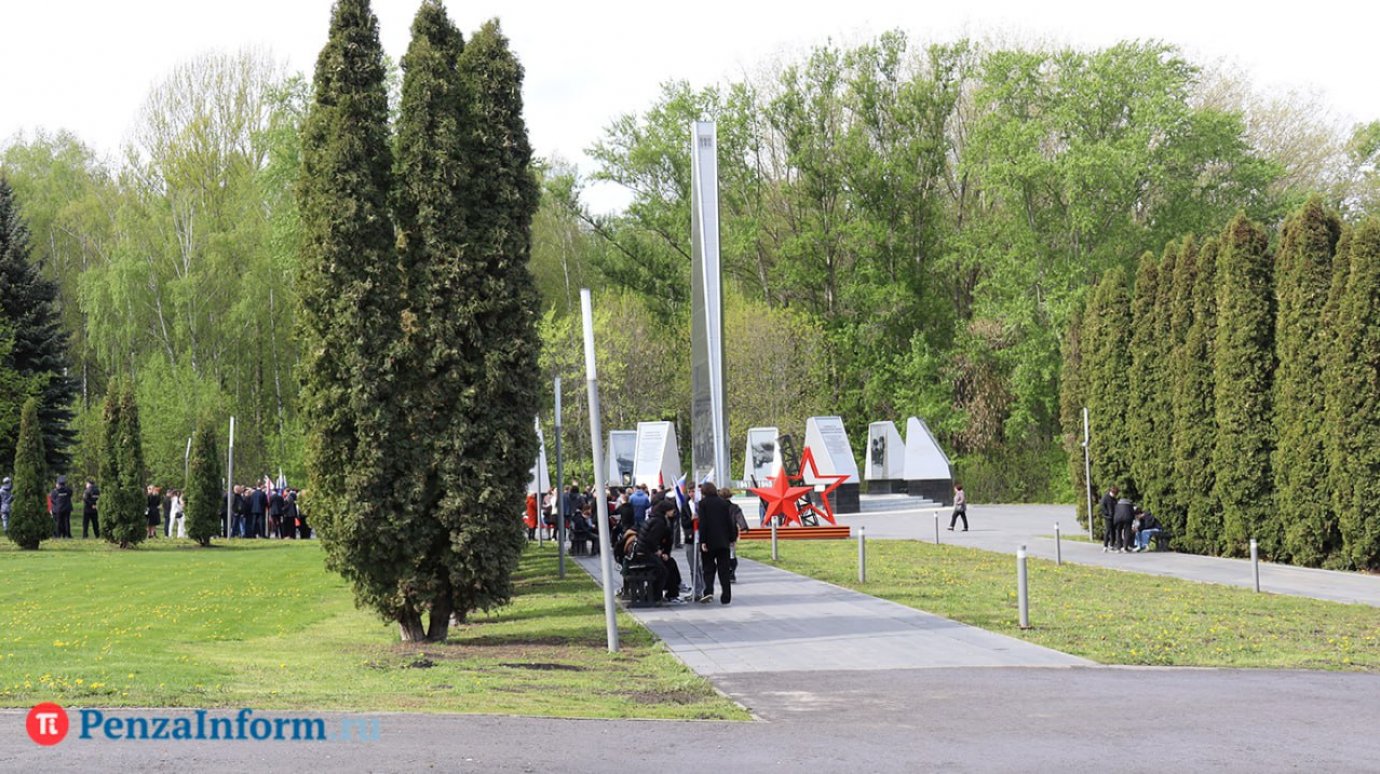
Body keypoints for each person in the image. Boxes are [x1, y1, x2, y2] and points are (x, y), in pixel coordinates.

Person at [696, 482, 737, 605]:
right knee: (723, 569)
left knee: (708, 567)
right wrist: (732, 538)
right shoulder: (723, 504)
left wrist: (702, 540)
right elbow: (730, 522)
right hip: (723, 541)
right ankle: (726, 595)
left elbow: (703, 523)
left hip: (709, 541)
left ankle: (708, 590)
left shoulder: (702, 504)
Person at [725, 489, 748, 583]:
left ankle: (725, 571)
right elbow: (739, 518)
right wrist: (744, 527)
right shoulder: (734, 507)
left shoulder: (716, 507)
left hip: (719, 534)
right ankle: (732, 572)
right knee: (731, 554)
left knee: (722, 554)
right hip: (731, 534)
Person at [1100, 486, 1120, 552]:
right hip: (1108, 517)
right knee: (1108, 531)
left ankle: (1112, 545)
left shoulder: (1114, 499)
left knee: (1113, 531)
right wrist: (1107, 514)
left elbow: (1116, 506)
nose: (1115, 495)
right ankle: (1105, 546)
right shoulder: (1105, 497)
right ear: (1112, 492)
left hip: (1114, 517)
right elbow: (1102, 506)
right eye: (1115, 494)